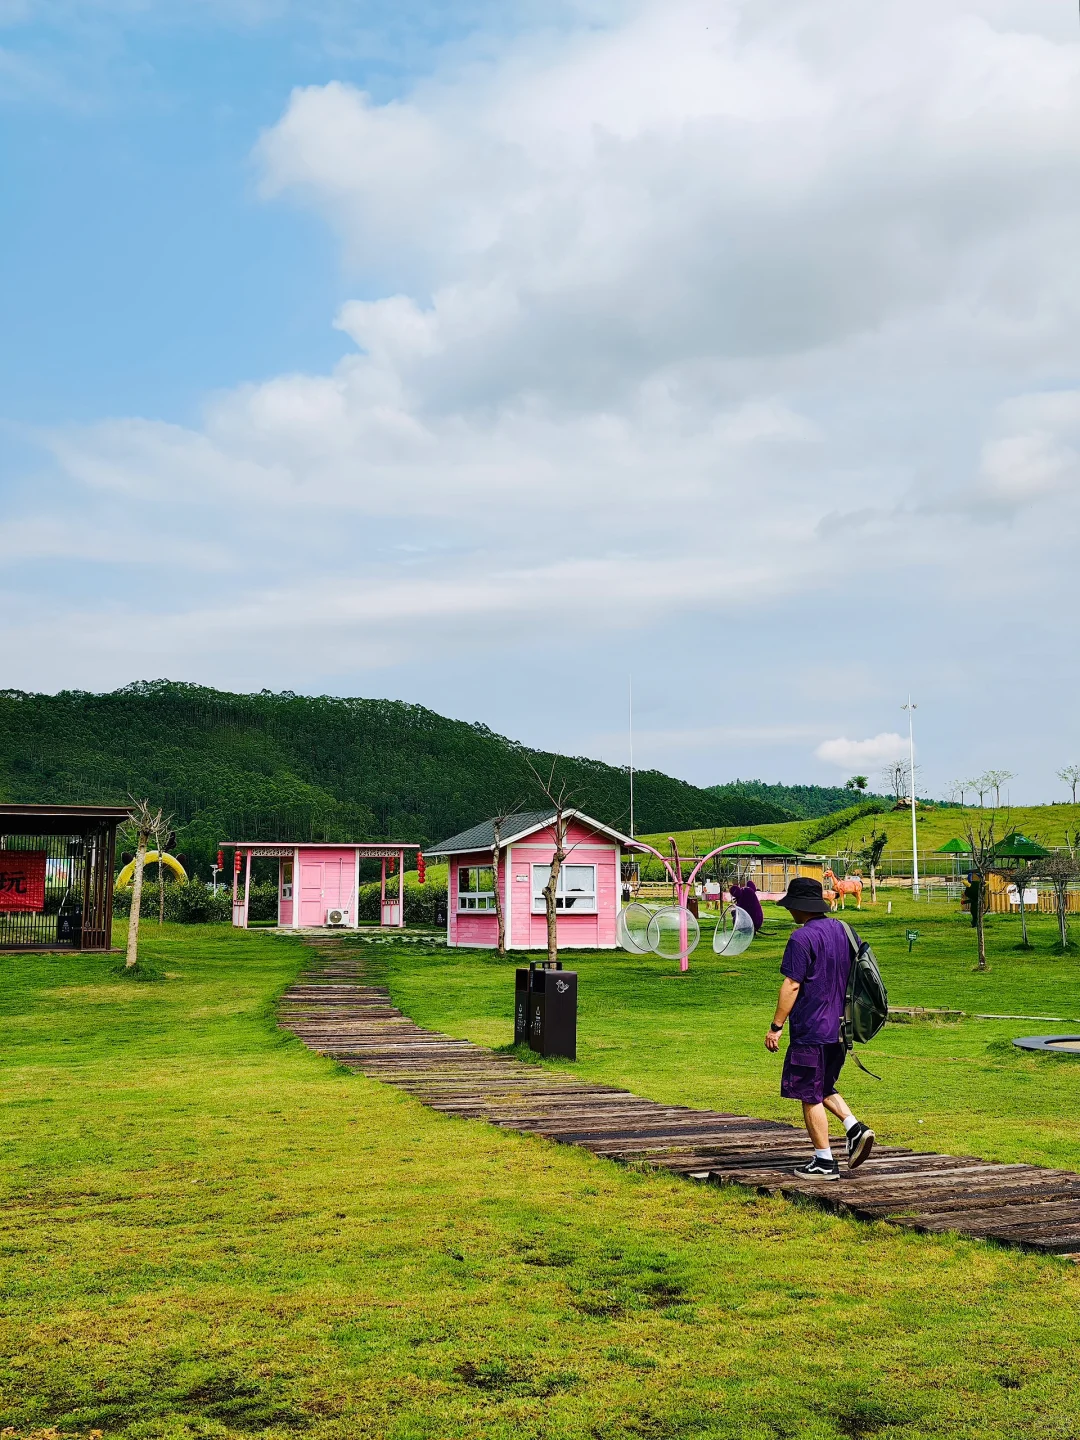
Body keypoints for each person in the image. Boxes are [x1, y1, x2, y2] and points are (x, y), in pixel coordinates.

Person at [764, 876, 875, 1179]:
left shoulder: (801, 938)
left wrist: (776, 1026)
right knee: (822, 1085)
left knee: (808, 1093)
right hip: (841, 1027)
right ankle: (855, 1128)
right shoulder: (844, 930)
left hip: (811, 1028)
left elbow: (792, 984)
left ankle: (823, 1160)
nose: (789, 912)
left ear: (800, 907)